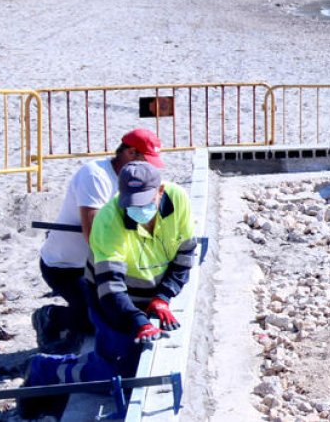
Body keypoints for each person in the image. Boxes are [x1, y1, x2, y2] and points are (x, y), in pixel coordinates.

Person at [20, 162, 197, 416]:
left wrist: (163, 297)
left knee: (133, 363)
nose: (137, 209)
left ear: (160, 191)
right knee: (110, 373)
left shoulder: (178, 200)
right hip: (111, 299)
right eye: (131, 203)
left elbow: (184, 256)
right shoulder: (108, 221)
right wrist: (137, 320)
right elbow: (111, 288)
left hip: (152, 292)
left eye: (145, 202)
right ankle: (43, 369)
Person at [33, 128, 166, 352]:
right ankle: (51, 317)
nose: (150, 168)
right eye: (147, 160)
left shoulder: (137, 179)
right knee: (97, 317)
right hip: (65, 266)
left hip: (95, 263)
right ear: (130, 153)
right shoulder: (95, 176)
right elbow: (93, 235)